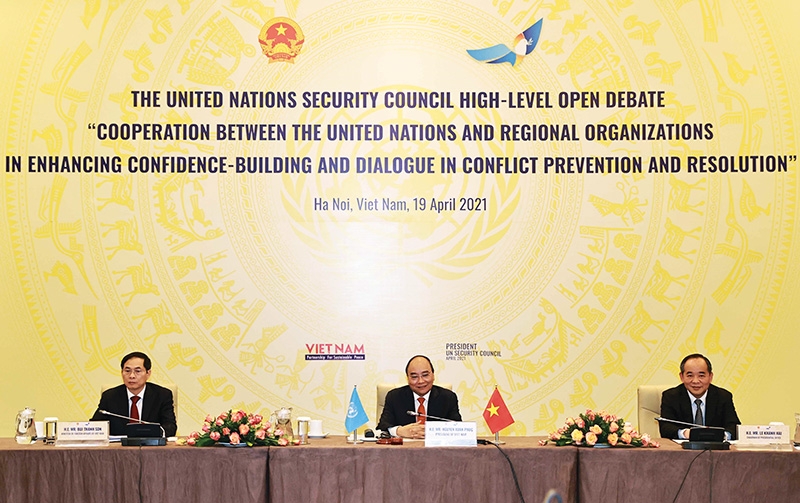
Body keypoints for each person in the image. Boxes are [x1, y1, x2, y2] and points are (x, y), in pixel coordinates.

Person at [90, 351, 177, 437]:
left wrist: (156, 433)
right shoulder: (110, 397)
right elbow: (95, 426)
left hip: (150, 445)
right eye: (127, 371)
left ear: (148, 373)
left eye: (137, 371)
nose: (132, 376)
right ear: (122, 372)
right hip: (119, 446)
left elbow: (170, 426)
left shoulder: (162, 395)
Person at [376, 355, 462, 438]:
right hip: (405, 447)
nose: (420, 381)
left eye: (425, 375)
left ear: (433, 375)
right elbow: (382, 428)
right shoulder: (394, 397)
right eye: (414, 377)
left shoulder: (448, 398)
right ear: (407, 378)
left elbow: (458, 429)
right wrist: (399, 431)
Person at [659, 353, 740, 440]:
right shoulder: (671, 396)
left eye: (701, 376)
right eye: (690, 375)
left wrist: (722, 435)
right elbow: (665, 428)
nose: (695, 381)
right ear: (682, 377)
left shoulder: (723, 396)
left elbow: (734, 427)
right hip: (683, 447)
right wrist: (685, 433)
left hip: (715, 447)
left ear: (710, 377)